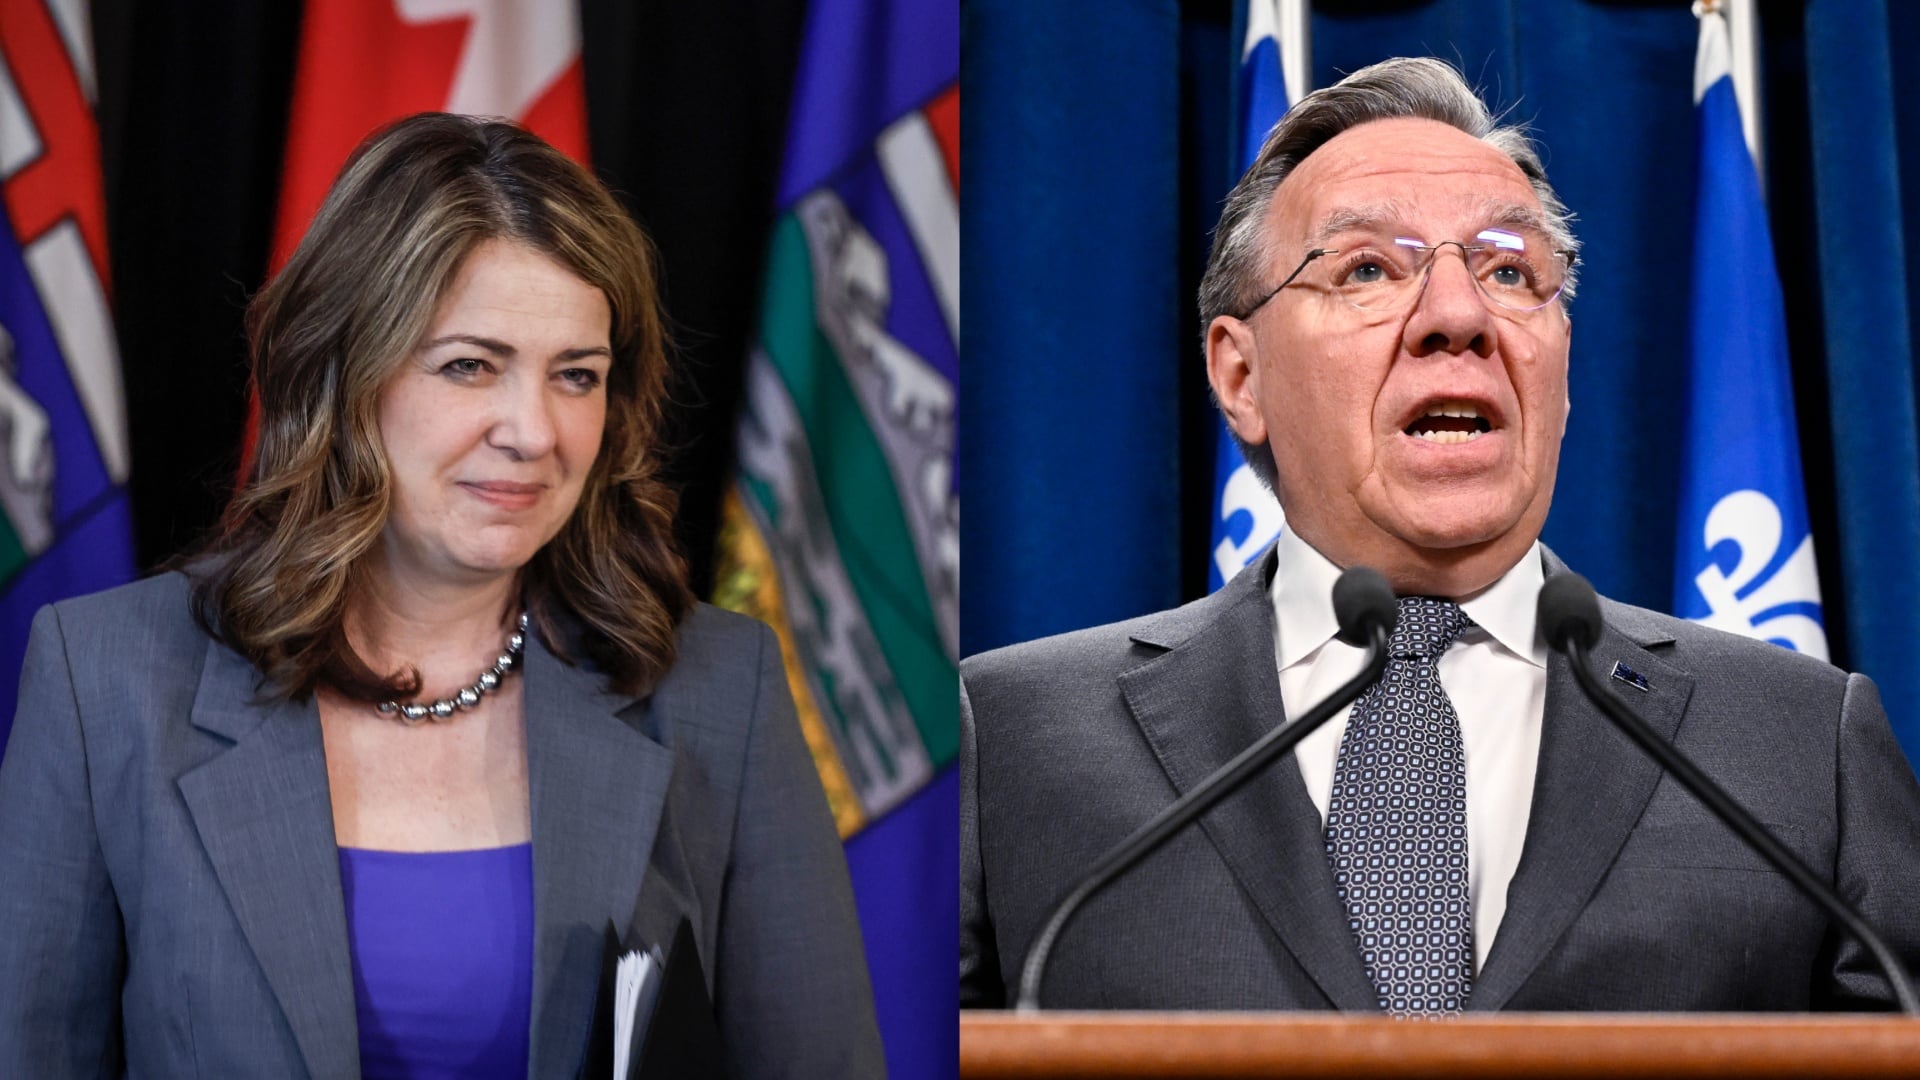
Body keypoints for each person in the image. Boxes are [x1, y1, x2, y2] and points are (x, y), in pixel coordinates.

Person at [960, 57, 1920, 1013]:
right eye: (1369, 268)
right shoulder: (1008, 741)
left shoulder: (1799, 745)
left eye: (1509, 269)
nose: (1459, 316)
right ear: (1240, 376)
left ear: (1563, 359)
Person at [0, 113, 884, 1077]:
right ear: (345, 373)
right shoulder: (108, 679)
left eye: (576, 376)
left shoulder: (719, 688)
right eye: (470, 365)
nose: (534, 431)